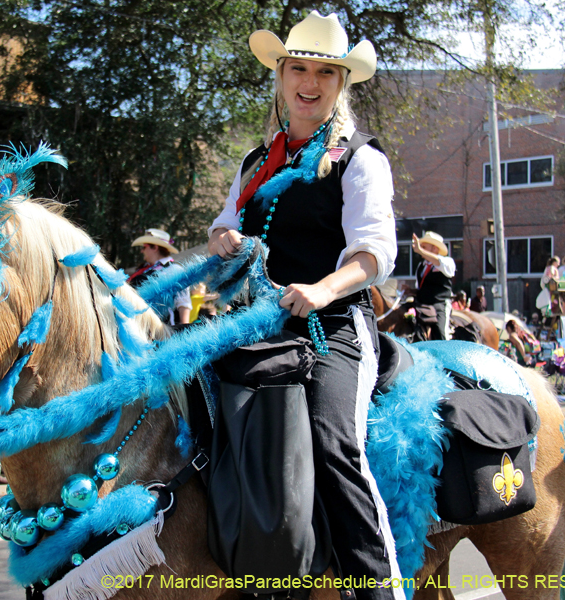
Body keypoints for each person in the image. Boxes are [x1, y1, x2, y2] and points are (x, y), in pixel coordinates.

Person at [207, 12, 402, 599]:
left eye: (324, 72)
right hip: (257, 325)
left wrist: (321, 289)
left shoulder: (360, 158)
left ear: (341, 83)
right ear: (281, 75)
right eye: (298, 68)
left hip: (336, 327)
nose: (309, 82)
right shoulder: (252, 162)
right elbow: (222, 228)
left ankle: (374, 588)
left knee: (329, 436)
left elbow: (376, 254)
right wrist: (222, 240)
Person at [127, 228, 192, 325]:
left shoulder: (174, 269)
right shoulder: (144, 269)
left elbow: (183, 302)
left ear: (155, 248)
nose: (142, 251)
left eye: (144, 247)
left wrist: (184, 328)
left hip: (163, 329)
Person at [411, 231, 456, 341]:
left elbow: (438, 262)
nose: (421, 249)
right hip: (421, 303)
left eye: (424, 247)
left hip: (439, 304)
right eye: (421, 247)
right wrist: (410, 291)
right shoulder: (421, 266)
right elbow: (420, 288)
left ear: (435, 249)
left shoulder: (447, 262)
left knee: (440, 331)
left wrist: (420, 250)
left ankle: (445, 354)